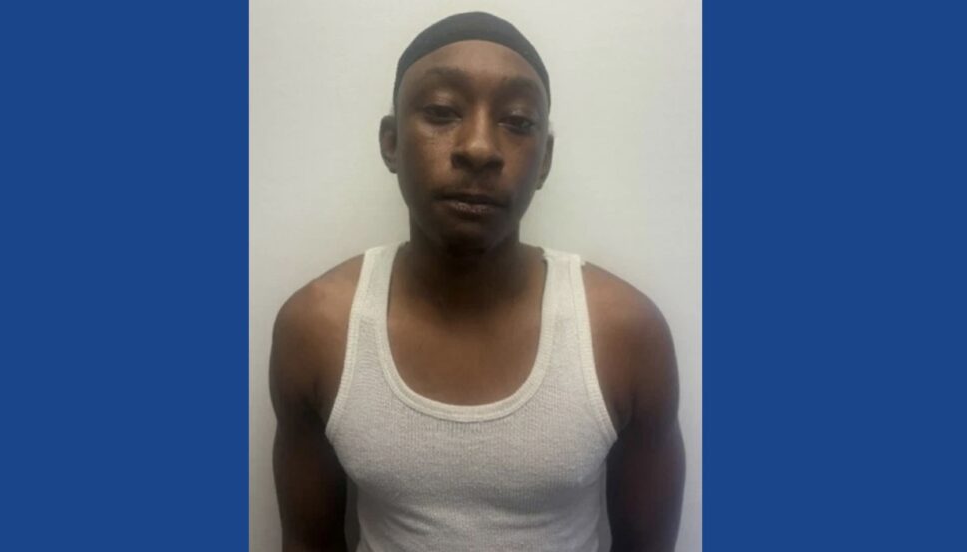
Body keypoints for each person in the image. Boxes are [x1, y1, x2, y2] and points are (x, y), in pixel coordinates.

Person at [270, 12, 685, 552]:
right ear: (391, 142)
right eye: (442, 111)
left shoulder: (624, 335)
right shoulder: (318, 330)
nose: (479, 148)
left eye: (517, 121)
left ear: (545, 161)